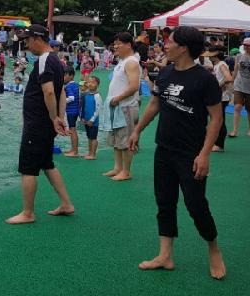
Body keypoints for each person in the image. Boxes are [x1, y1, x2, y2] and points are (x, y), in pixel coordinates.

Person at [127, 26, 226, 280]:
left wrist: (205, 154)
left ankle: (213, 248)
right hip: (164, 149)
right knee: (165, 202)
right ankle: (165, 255)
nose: (165, 46)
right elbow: (154, 104)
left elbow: (216, 119)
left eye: (170, 42)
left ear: (183, 48)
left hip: (191, 154)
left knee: (196, 205)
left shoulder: (204, 79)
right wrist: (137, 130)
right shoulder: (166, 72)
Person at [6, 25, 74, 224]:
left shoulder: (45, 59)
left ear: (38, 39)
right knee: (46, 163)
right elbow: (61, 92)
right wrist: (59, 118)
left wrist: (54, 118)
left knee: (28, 167)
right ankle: (66, 204)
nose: (27, 45)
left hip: (38, 123)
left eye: (28, 40)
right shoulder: (57, 60)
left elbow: (50, 92)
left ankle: (28, 213)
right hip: (46, 123)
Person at [103, 32, 141, 182]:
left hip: (125, 106)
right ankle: (118, 168)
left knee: (126, 140)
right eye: (115, 43)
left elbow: (134, 86)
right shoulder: (122, 61)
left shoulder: (131, 62)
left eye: (119, 43)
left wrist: (118, 98)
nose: (115, 46)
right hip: (117, 105)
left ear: (129, 45)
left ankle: (126, 171)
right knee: (117, 138)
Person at [230, 37, 250, 137]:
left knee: (249, 109)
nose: (246, 46)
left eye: (248, 45)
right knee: (237, 107)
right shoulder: (238, 56)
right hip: (239, 85)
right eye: (244, 45)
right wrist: (231, 82)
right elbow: (235, 70)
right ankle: (235, 130)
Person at [204, 45, 232, 152]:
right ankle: (214, 141)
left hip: (222, 97)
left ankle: (219, 145)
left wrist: (218, 85)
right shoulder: (217, 65)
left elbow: (228, 78)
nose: (209, 57)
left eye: (210, 55)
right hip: (218, 96)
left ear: (216, 55)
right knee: (215, 119)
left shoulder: (221, 64)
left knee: (219, 120)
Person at [79, 76, 102, 160]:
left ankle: (93, 154)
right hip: (86, 120)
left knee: (93, 138)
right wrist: (83, 118)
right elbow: (84, 107)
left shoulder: (97, 96)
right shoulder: (86, 95)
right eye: (89, 82)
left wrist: (92, 120)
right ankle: (89, 152)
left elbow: (97, 109)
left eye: (93, 82)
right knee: (89, 137)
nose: (90, 84)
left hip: (93, 122)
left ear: (97, 85)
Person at [63, 68, 81, 157]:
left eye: (65, 75)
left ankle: (75, 151)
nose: (63, 77)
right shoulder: (75, 85)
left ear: (71, 75)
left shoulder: (69, 86)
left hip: (71, 111)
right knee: (72, 129)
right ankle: (73, 149)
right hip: (75, 110)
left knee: (72, 130)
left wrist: (62, 101)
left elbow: (71, 98)